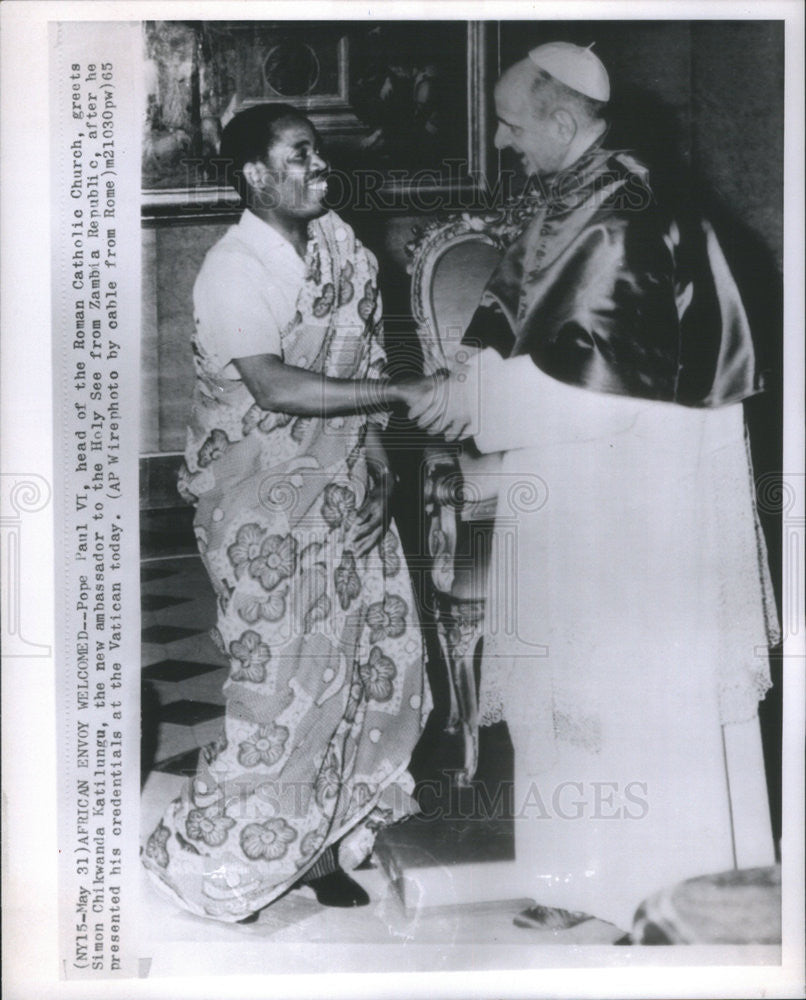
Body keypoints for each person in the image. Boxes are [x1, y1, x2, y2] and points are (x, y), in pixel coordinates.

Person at [406, 43, 780, 932]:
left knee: (628, 683)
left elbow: (608, 384)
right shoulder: (576, 193)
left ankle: (656, 882)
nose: (501, 141)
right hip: (574, 475)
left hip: (637, 492)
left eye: (510, 122)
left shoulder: (629, 210)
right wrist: (473, 387)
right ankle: (577, 875)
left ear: (563, 121)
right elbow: (521, 327)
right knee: (571, 682)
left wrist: (480, 405)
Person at [143, 104, 435, 922]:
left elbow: (367, 353)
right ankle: (211, 863)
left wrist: (377, 455)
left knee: (364, 668)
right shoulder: (234, 268)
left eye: (319, 154)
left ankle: (318, 842)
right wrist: (402, 395)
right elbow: (273, 387)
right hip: (257, 509)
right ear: (255, 176)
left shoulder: (345, 249)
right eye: (300, 155)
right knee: (277, 688)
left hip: (345, 488)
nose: (319, 168)